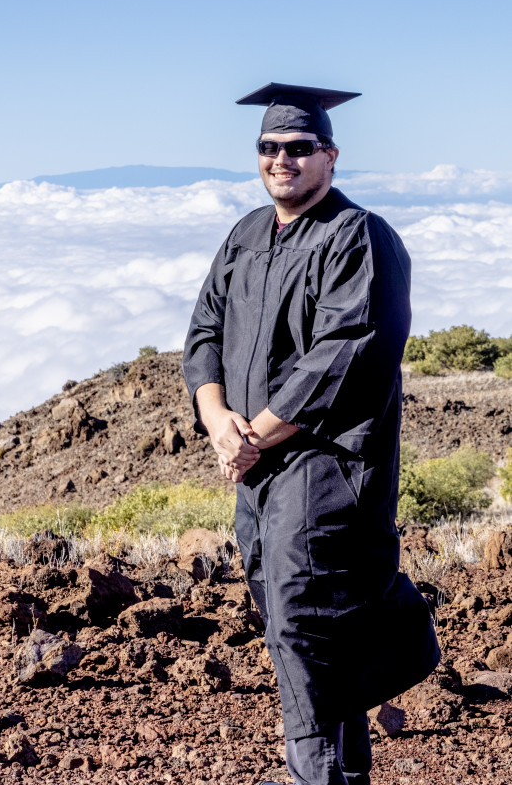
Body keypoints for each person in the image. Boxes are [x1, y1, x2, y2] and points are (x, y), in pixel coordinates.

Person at [182, 82, 440, 785]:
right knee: (291, 610)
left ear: (330, 154)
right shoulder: (244, 236)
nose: (281, 159)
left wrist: (253, 434)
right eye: (269, 148)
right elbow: (204, 330)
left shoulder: (358, 237)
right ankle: (341, 772)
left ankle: (315, 776)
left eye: (298, 148)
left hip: (328, 464)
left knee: (304, 613)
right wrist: (214, 416)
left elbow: (346, 353)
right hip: (254, 463)